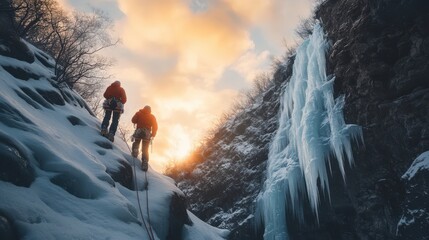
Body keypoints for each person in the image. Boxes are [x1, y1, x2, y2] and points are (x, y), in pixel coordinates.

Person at [131, 105, 158, 171]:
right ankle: (145, 162)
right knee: (145, 148)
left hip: (139, 131)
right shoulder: (152, 117)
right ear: (150, 110)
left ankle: (135, 151)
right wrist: (153, 134)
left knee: (136, 142)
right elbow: (155, 126)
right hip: (147, 133)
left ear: (143, 108)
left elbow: (133, 120)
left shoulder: (138, 113)